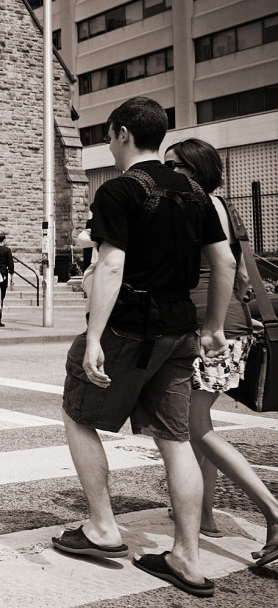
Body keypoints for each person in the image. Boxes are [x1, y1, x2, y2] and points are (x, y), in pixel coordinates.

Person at [50, 97, 236, 598]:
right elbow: (224, 263)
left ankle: (102, 527)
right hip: (182, 328)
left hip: (130, 327)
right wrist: (213, 327)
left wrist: (93, 338)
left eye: (108, 136)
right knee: (176, 441)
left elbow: (110, 266)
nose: (109, 145)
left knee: (77, 412)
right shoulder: (199, 193)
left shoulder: (120, 190)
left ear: (124, 133)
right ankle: (187, 557)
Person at [164, 138, 278, 568]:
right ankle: (205, 514)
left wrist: (213, 322)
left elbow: (228, 269)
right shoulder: (225, 207)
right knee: (199, 425)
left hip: (209, 330)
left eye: (175, 165)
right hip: (227, 326)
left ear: (196, 169)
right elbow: (246, 276)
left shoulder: (199, 206)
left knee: (197, 426)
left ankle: (274, 512)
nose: (168, 171)